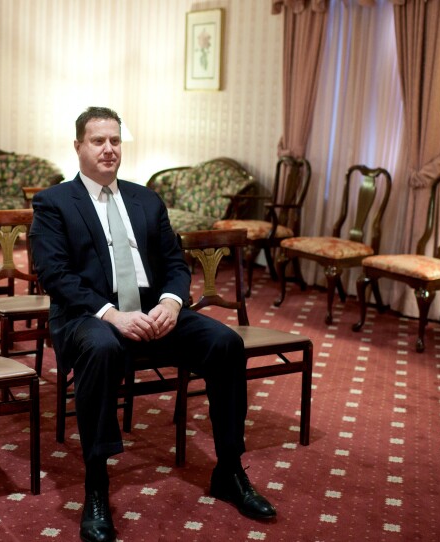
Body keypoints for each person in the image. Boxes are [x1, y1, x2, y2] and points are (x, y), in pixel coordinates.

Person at [29, 107, 276, 542]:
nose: (109, 149)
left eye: (115, 141)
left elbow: (175, 264)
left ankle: (230, 469)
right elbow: (55, 275)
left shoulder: (146, 198)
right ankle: (97, 486)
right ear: (78, 147)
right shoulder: (54, 203)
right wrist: (112, 314)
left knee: (225, 343)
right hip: (90, 316)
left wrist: (171, 302)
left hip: (152, 312)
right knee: (103, 349)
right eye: (98, 141)